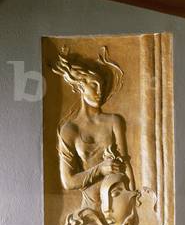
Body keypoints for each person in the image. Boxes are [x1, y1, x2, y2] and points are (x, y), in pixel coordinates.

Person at [51, 46, 135, 211]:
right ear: (80, 87)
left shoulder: (114, 121)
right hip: (90, 209)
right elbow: (68, 181)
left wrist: (133, 198)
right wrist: (100, 169)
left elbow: (127, 165)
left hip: (118, 205)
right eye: (93, 85)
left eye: (101, 86)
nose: (99, 91)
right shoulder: (69, 130)